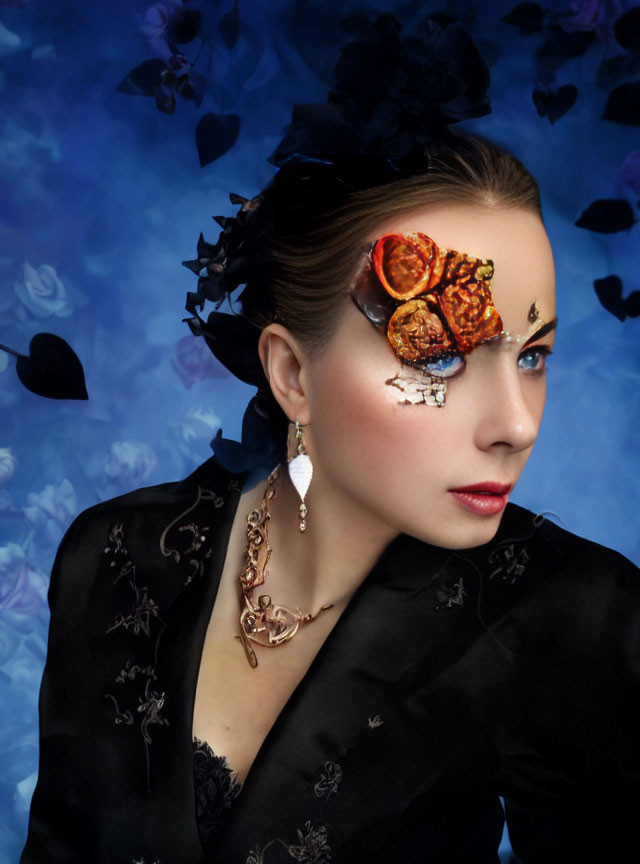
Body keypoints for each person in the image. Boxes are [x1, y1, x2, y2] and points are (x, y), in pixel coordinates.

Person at [18, 14, 640, 861]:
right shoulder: (115, 556)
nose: (517, 425)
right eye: (441, 356)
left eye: (534, 357)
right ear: (292, 376)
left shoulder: (573, 614)